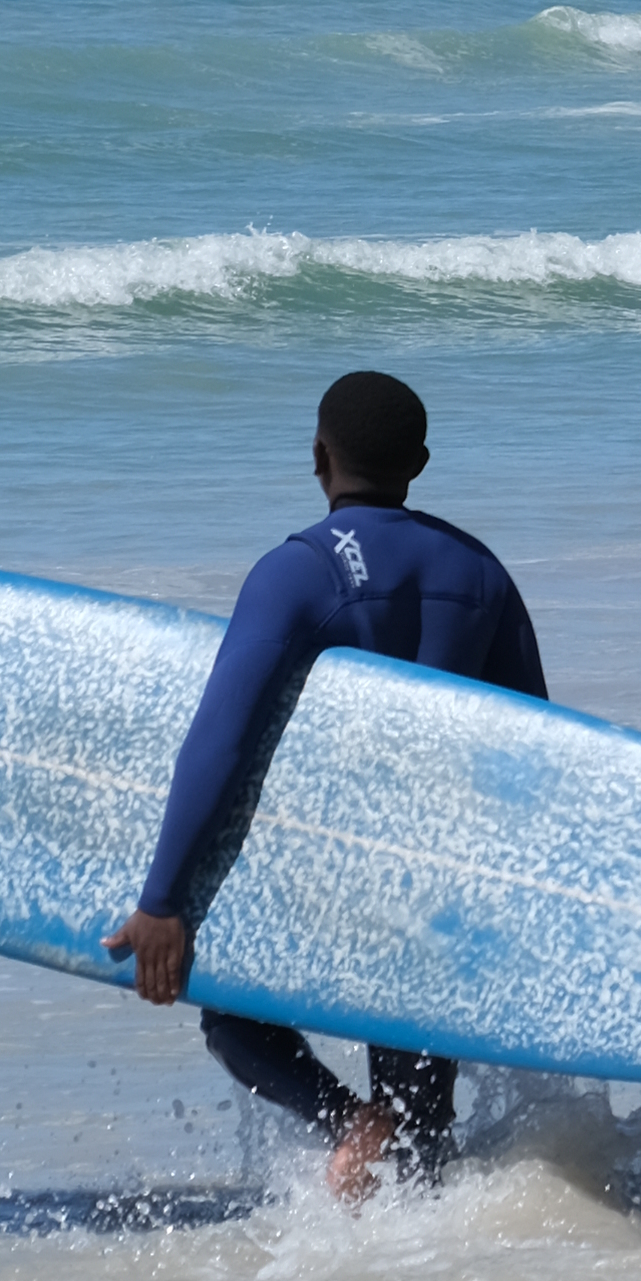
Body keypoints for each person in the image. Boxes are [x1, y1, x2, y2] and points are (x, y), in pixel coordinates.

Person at [104, 368, 548, 1198]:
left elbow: (222, 738)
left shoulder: (298, 572)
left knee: (234, 1017)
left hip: (323, 874)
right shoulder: (481, 573)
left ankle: (346, 1122)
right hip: (436, 879)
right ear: (419, 461)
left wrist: (163, 900)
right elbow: (535, 749)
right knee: (425, 1127)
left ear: (318, 455)